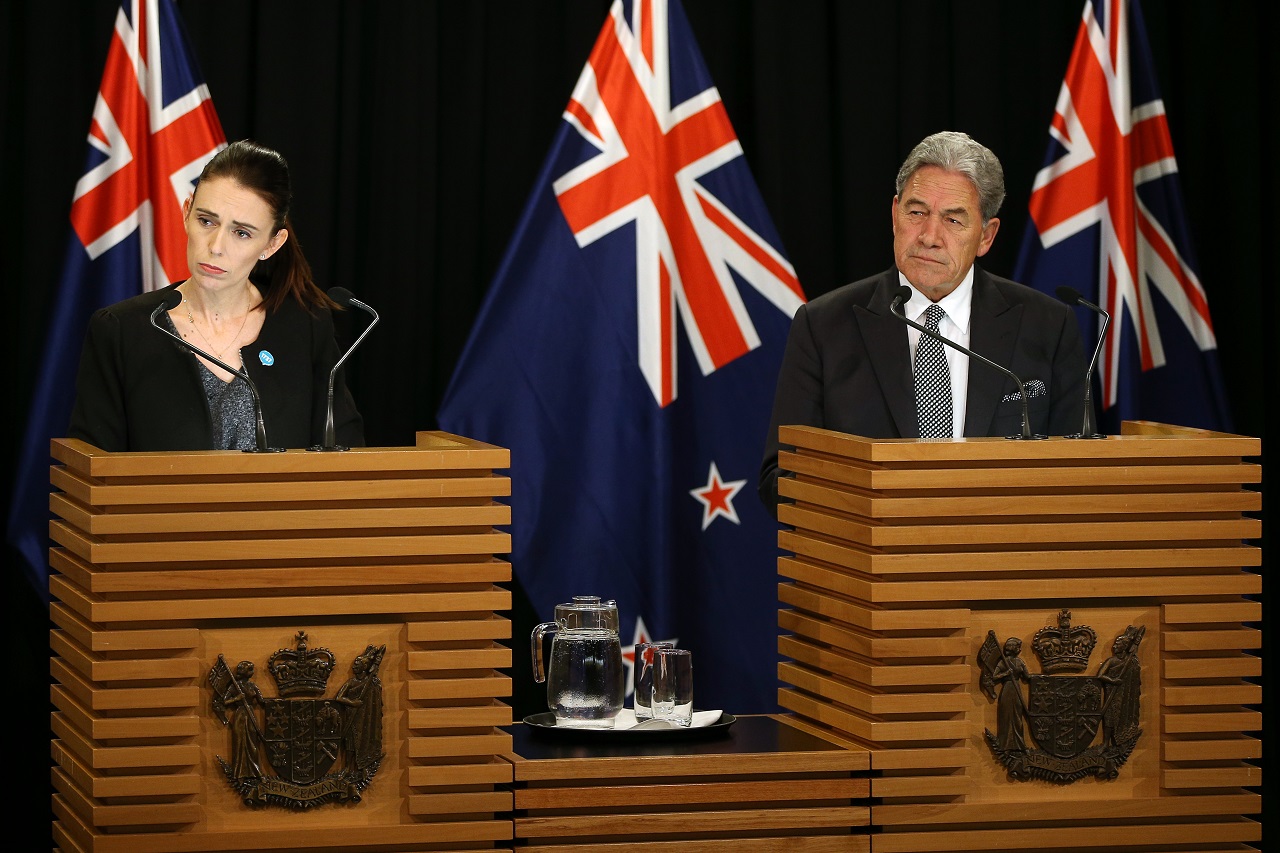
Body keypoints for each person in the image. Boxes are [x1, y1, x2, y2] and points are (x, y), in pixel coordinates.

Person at [759, 131, 1086, 517]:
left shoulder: (1047, 326)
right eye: (917, 212)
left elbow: (1078, 474)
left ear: (986, 236)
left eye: (953, 219)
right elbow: (780, 479)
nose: (930, 236)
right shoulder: (824, 326)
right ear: (894, 213)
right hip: (872, 565)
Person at [67, 139, 363, 452]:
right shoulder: (122, 330)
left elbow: (346, 460)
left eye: (242, 233)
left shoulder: (307, 328)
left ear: (271, 245)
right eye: (206, 221)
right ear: (186, 213)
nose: (216, 246)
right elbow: (91, 473)